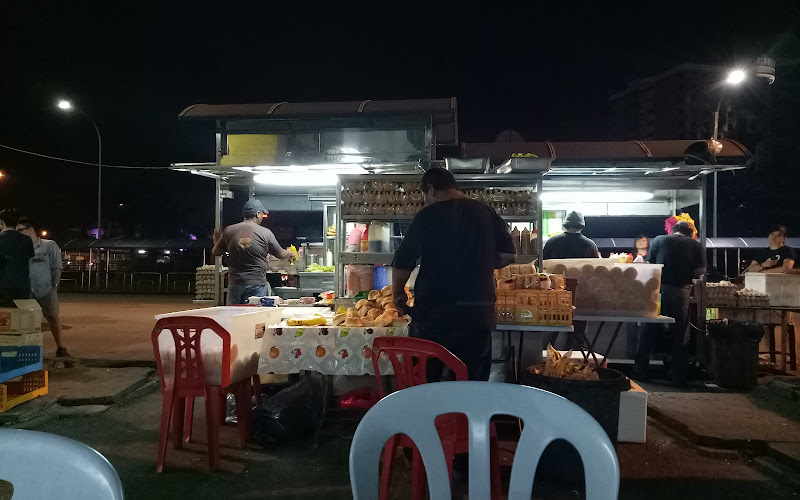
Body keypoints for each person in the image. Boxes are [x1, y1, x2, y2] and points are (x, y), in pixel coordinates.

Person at [391, 168, 517, 381]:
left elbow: (403, 261)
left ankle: (432, 415)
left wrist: (398, 294)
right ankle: (468, 415)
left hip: (434, 314)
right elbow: (508, 256)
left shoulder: (427, 215)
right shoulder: (486, 212)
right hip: (477, 314)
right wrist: (481, 259)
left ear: (430, 189)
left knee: (427, 383)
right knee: (472, 382)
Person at [634, 221, 706, 385]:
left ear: (673, 231)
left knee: (649, 327)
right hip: (680, 291)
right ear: (690, 233)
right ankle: (677, 374)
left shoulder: (659, 240)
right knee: (680, 332)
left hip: (657, 291)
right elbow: (699, 271)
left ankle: (640, 369)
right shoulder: (695, 245)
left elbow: (651, 264)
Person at [212, 199, 296, 305]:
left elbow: (216, 252)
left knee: (233, 314)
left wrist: (217, 242)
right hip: (256, 284)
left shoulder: (229, 230)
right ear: (257, 214)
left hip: (235, 283)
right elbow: (280, 254)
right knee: (253, 316)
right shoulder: (265, 233)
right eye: (262, 214)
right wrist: (291, 254)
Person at [542, 211, 599, 349]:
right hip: (580, 296)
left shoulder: (552, 242)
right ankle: (571, 364)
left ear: (565, 224)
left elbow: (541, 267)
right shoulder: (589, 244)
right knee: (577, 335)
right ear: (582, 225)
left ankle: (546, 362)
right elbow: (595, 271)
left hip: (554, 295)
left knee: (551, 332)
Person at [16, 217, 70, 357]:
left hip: (46, 288)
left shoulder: (49, 245)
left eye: (20, 230)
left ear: (30, 229)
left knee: (52, 317)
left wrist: (55, 285)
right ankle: (29, 351)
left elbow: (57, 266)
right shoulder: (20, 247)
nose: (18, 234)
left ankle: (61, 347)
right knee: (27, 320)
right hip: (27, 290)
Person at [0, 209, 34, 307]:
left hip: (2, 288)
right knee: (20, 319)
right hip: (22, 288)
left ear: (1, 222)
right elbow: (29, 261)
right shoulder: (26, 240)